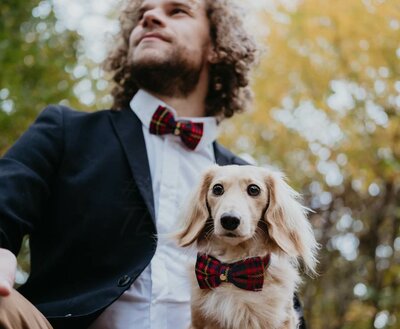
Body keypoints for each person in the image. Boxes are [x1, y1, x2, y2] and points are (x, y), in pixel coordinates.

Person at [0, 0, 306, 328]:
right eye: (143, 12)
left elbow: (284, 298)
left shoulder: (248, 184)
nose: (150, 16)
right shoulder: (65, 131)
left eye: (177, 10)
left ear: (217, 45)